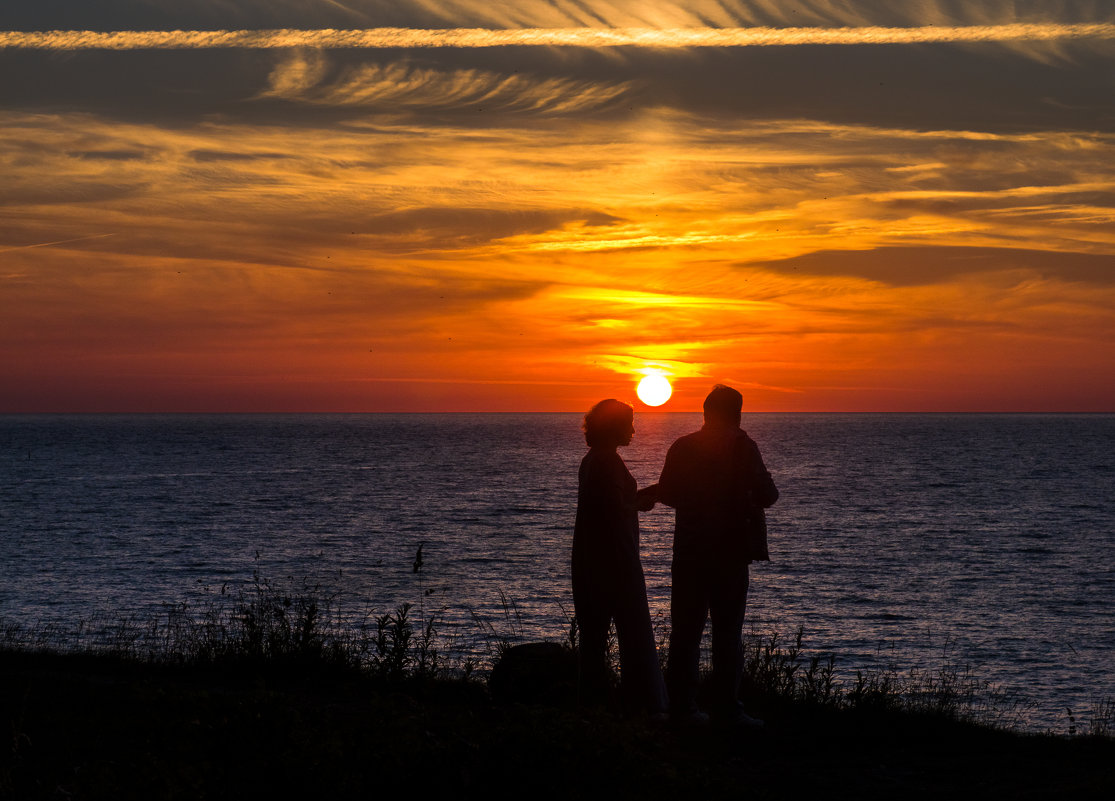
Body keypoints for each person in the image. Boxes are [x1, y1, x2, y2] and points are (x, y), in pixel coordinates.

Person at [656, 385, 779, 726]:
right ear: (736, 412)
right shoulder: (743, 447)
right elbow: (769, 494)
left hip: (689, 551)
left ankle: (682, 707)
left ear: (706, 412)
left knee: (685, 633)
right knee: (727, 633)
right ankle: (727, 709)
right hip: (730, 553)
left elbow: (668, 493)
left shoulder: (683, 446)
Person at [572, 399, 668, 716]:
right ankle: (641, 708)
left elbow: (607, 507)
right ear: (614, 427)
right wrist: (642, 502)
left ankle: (595, 708)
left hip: (591, 561)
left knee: (594, 642)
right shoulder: (606, 462)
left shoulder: (593, 460)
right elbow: (612, 512)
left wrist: (638, 499)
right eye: (628, 422)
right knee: (635, 637)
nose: (633, 429)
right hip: (615, 563)